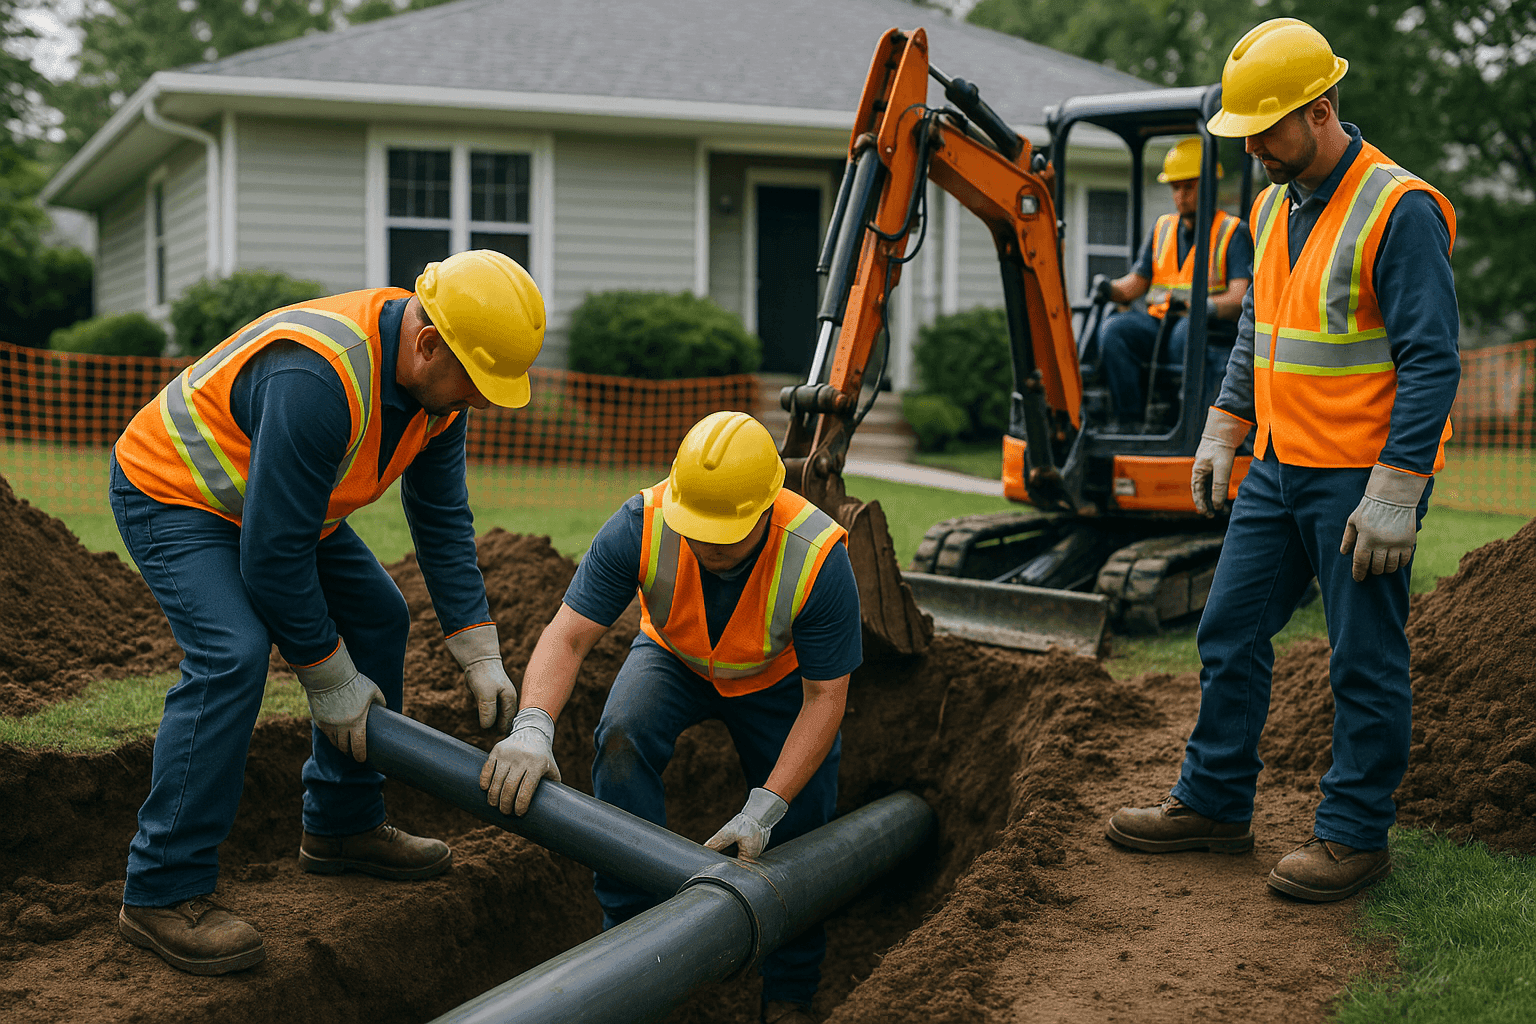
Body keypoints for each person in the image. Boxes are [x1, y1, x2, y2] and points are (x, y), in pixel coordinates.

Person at [108, 250, 545, 974]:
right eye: (475, 385)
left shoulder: (440, 389)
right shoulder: (319, 377)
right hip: (176, 492)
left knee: (379, 616)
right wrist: (329, 676)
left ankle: (343, 825)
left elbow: (441, 517)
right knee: (232, 653)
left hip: (279, 504)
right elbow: (272, 560)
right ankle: (161, 889)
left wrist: (478, 647)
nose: (479, 402)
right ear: (428, 344)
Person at [1106, 18, 1460, 902]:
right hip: (1276, 467)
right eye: (1247, 132)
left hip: (1360, 479)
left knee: (1362, 657)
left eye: (1266, 130)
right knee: (1227, 630)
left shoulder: (1399, 208)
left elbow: (1432, 361)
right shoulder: (1271, 207)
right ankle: (1215, 803)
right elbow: (1260, 329)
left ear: (1321, 110)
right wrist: (1224, 426)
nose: (1253, 148)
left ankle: (1354, 835)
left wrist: (1398, 487)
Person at [479, 410, 861, 1024]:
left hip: (776, 681)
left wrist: (764, 809)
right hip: (673, 657)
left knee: (802, 817)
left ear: (766, 510)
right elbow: (567, 635)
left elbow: (826, 699)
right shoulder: (642, 521)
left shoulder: (818, 556)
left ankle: (789, 990)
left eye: (723, 535)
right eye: (696, 531)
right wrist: (532, 726)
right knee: (622, 736)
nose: (705, 546)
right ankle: (632, 938)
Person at [1094, 136, 1254, 424]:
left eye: (1188, 187)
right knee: (1115, 330)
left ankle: (1186, 424)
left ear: (1210, 184)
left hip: (1207, 330)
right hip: (1159, 324)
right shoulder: (1163, 228)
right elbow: (1136, 284)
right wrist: (1110, 288)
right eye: (1175, 188)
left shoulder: (1232, 232)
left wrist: (1202, 307)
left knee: (1186, 332)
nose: (1181, 195)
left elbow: (1238, 297)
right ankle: (1129, 422)